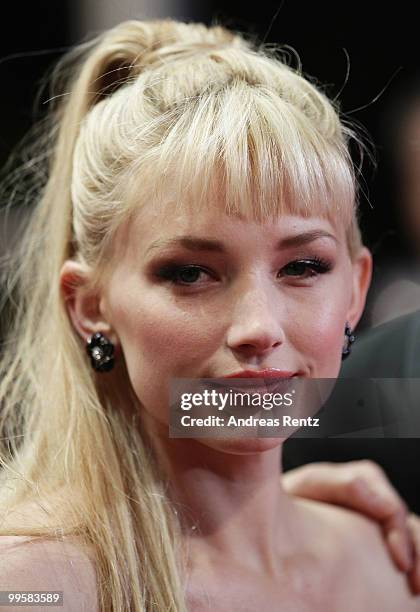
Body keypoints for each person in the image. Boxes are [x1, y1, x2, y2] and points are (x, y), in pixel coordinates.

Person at [0, 18, 419, 611]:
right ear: (90, 307)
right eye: (189, 273)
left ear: (356, 289)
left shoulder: (391, 567)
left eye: (303, 266)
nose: (259, 328)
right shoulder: (30, 587)